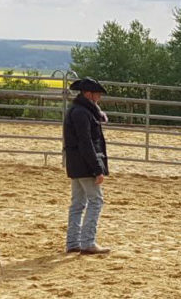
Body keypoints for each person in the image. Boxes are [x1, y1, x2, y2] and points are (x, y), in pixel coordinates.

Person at [63, 77, 111, 255]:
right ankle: (88, 242)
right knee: (95, 201)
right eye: (97, 94)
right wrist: (97, 168)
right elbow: (87, 143)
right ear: (88, 94)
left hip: (76, 164)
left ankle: (73, 242)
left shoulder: (77, 110)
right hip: (85, 164)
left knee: (77, 204)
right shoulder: (83, 113)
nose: (99, 97)